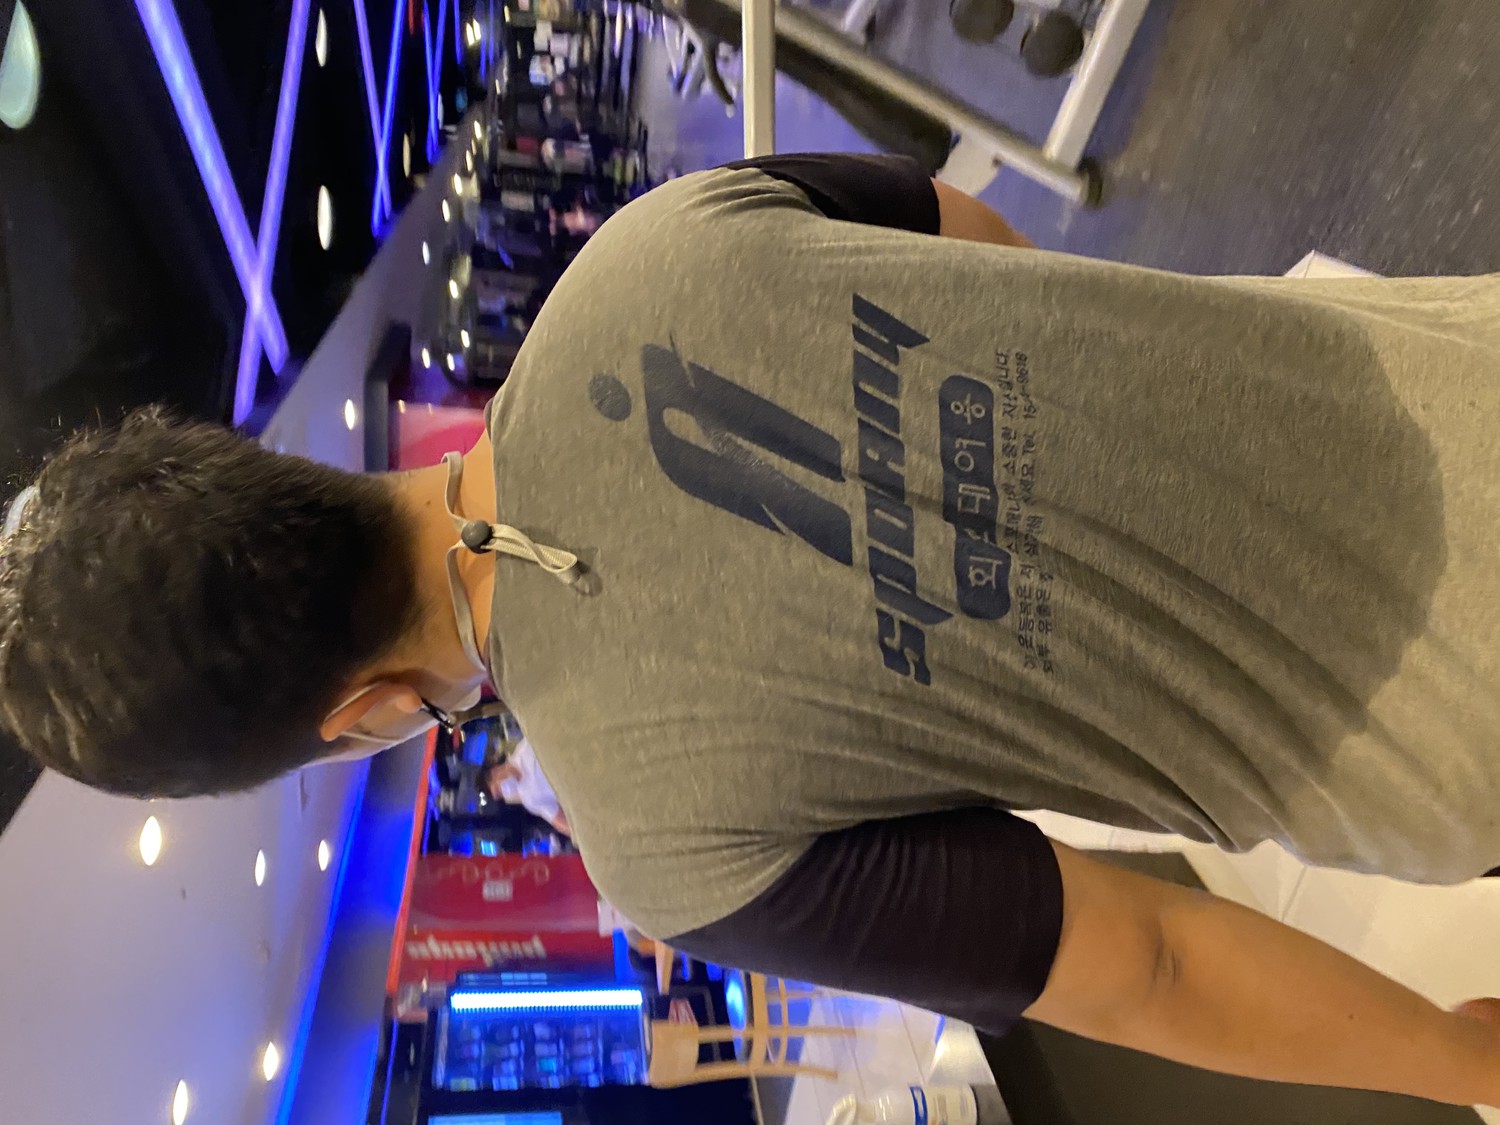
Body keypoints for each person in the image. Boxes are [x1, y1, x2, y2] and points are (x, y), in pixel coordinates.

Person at [4, 152, 1500, 1108]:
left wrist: (1458, 1055)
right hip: (1444, 367)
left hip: (1445, 719)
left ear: (357, 713)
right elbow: (972, 238)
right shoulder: (645, 249)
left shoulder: (669, 855)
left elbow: (1147, 957)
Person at [483, 737, 572, 836]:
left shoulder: (526, 748)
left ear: (495, 771)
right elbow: (559, 821)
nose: (504, 792)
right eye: (500, 795)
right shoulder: (529, 799)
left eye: (498, 789)